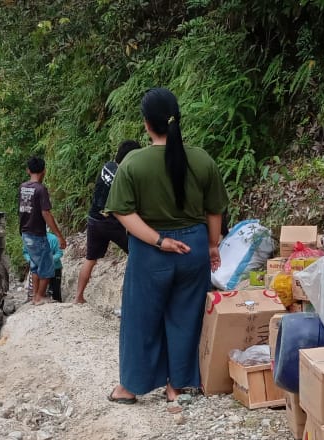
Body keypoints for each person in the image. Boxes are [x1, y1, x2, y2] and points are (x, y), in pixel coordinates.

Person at [103, 87, 229, 408]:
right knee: (186, 316)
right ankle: (178, 385)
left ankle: (130, 388)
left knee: (141, 319)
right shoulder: (201, 160)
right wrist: (213, 246)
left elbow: (122, 211)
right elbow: (215, 210)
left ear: (147, 124)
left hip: (151, 252)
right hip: (194, 248)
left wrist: (159, 241)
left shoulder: (134, 163)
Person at [76, 140, 142, 304]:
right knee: (136, 255)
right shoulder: (125, 176)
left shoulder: (107, 166)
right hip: (113, 223)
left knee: (90, 259)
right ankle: (130, 301)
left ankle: (78, 297)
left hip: (93, 219)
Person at [18, 156, 67, 306]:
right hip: (37, 233)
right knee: (47, 266)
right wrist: (59, 235)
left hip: (25, 231)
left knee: (35, 264)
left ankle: (34, 296)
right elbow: (46, 213)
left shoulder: (23, 187)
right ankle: (39, 297)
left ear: (28, 170)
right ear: (44, 170)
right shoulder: (41, 189)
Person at [23, 232, 63, 303]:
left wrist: (48, 260)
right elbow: (26, 252)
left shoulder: (53, 238)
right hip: (37, 269)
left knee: (56, 293)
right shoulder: (30, 239)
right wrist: (32, 259)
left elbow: (59, 253)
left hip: (55, 268)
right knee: (37, 292)